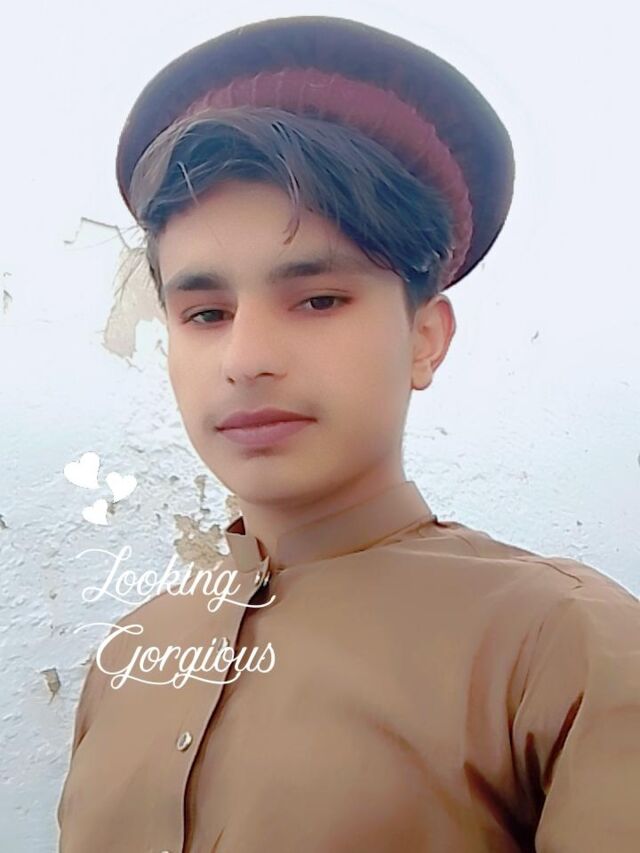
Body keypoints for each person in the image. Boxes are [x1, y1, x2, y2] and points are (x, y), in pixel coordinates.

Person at [57, 15, 640, 852]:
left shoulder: (565, 646)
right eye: (206, 313)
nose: (246, 359)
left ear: (426, 338)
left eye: (318, 299)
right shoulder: (129, 655)